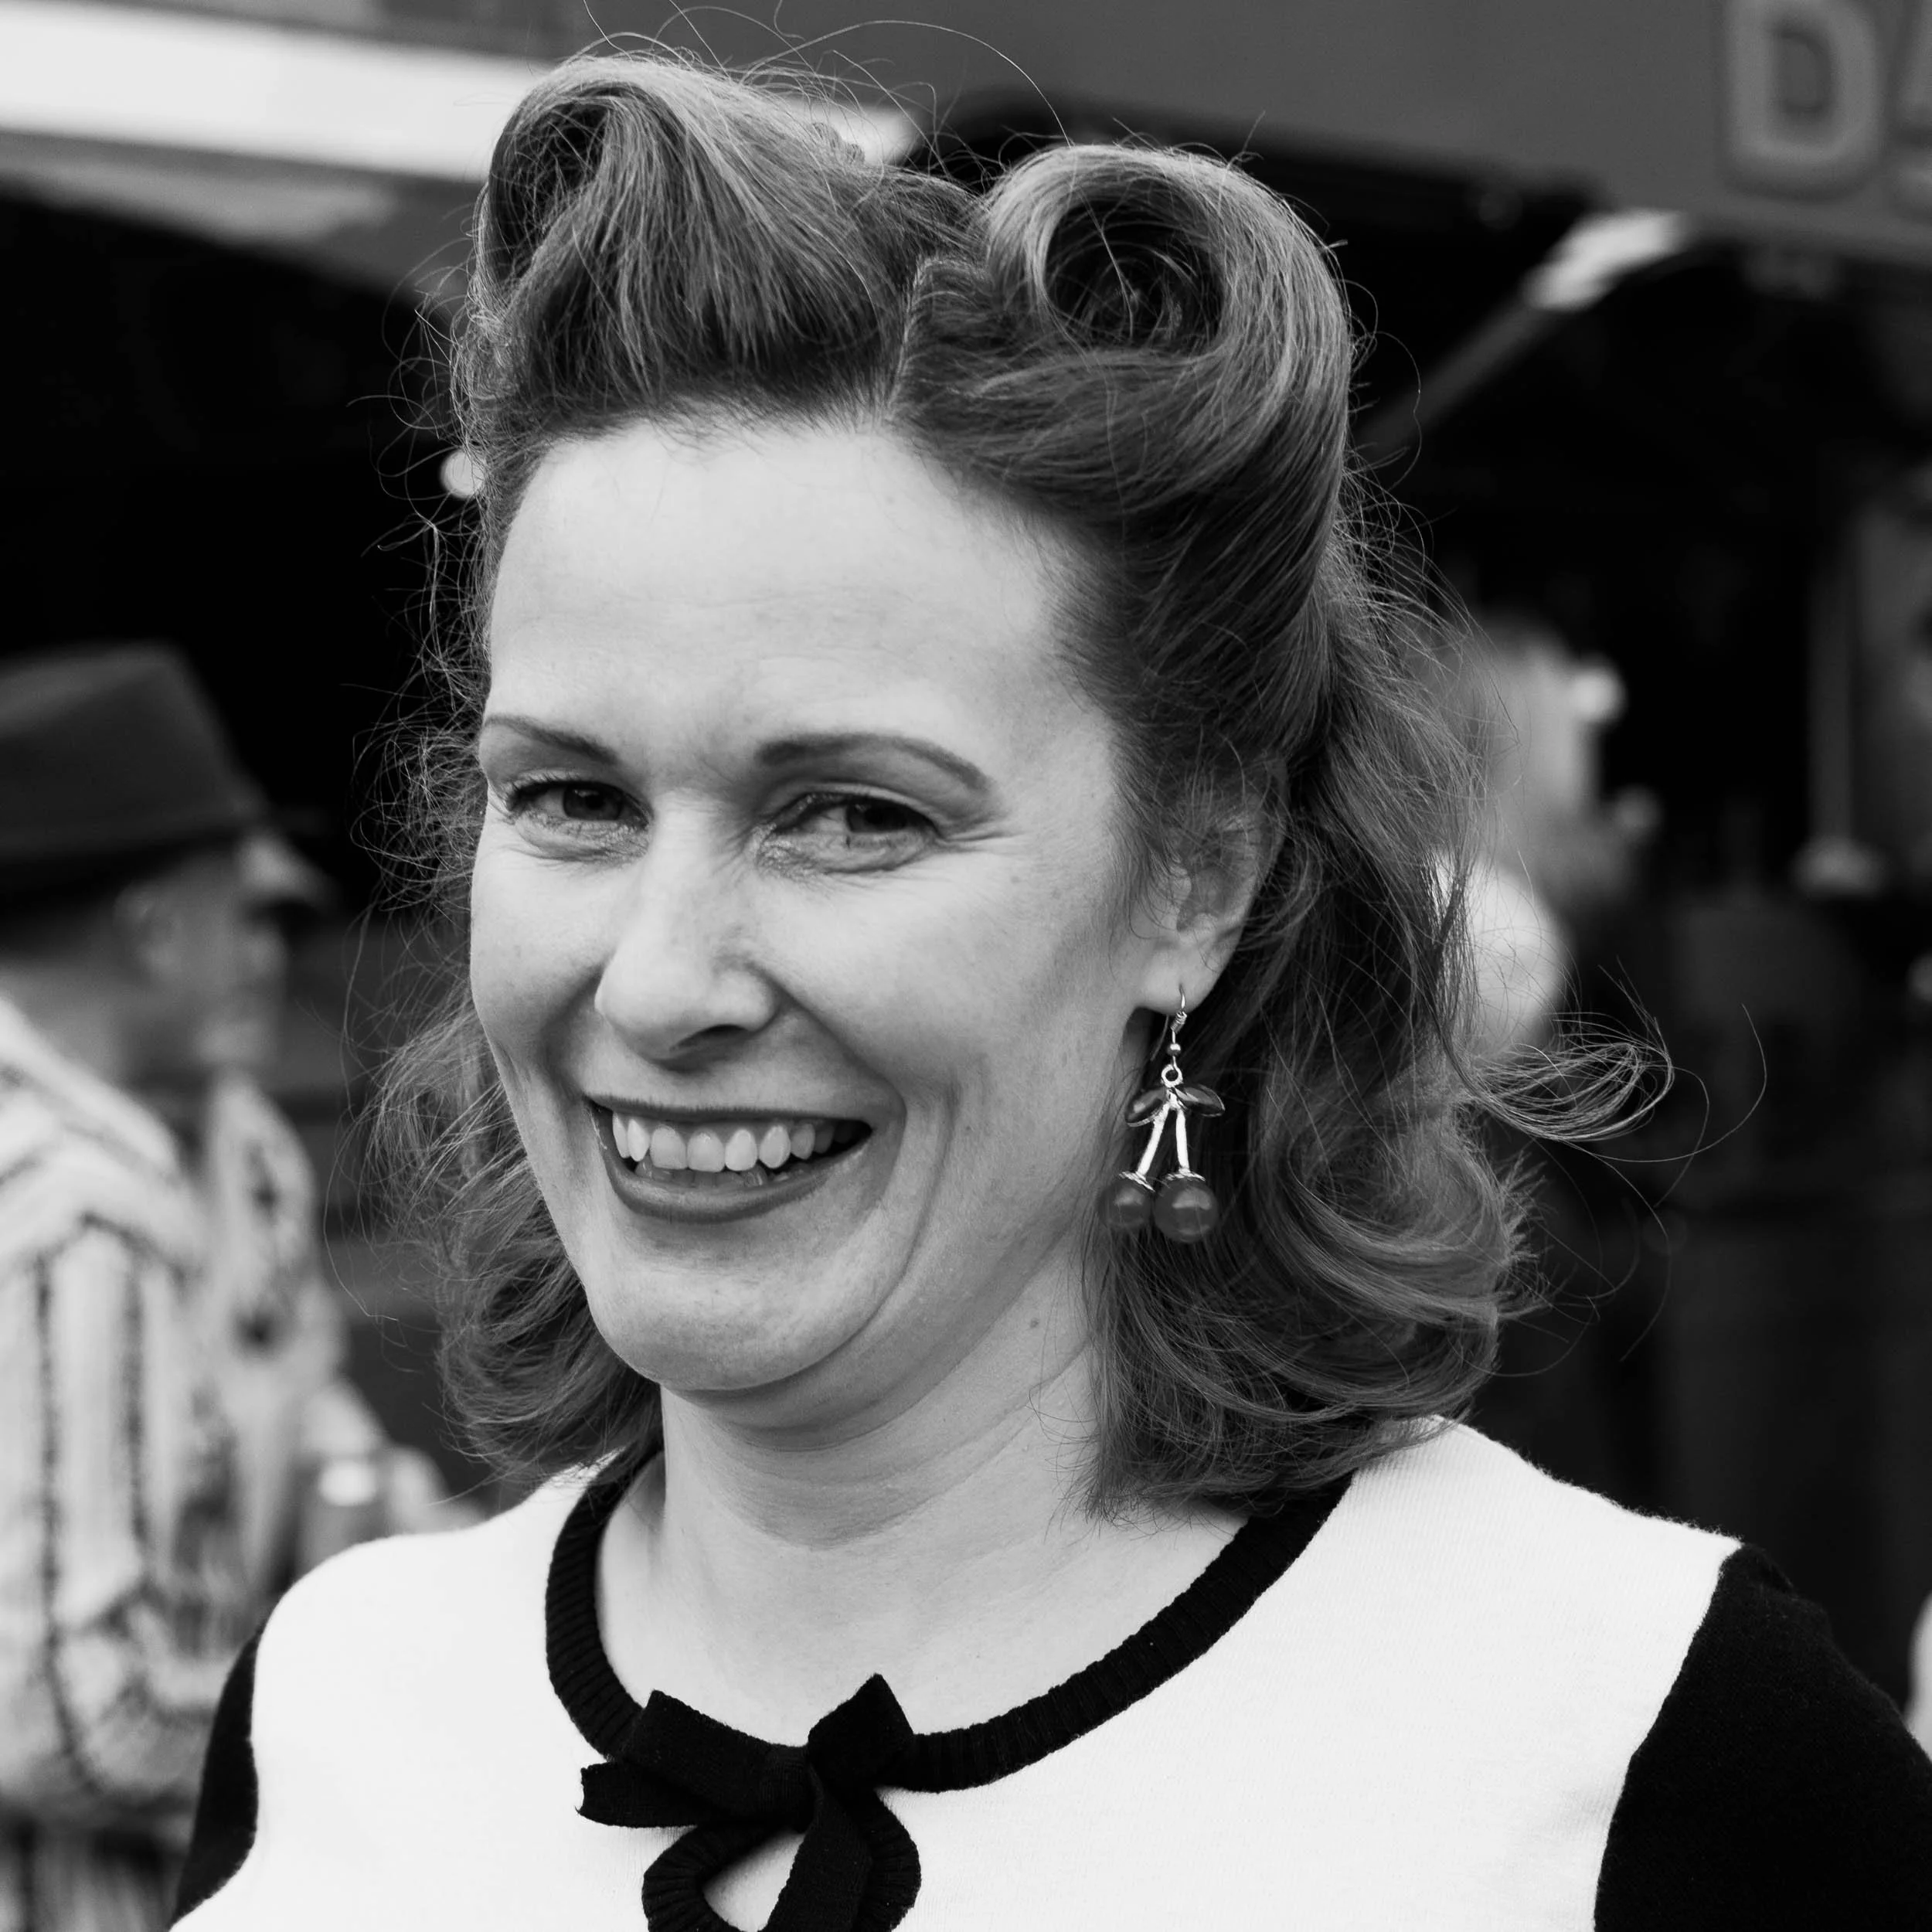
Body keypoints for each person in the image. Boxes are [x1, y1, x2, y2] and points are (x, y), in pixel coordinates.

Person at [172, 56, 1932, 1931]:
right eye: (571, 798)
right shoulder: (338, 1702)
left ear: (1195, 879)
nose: (662, 977)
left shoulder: (1632, 1742)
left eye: (853, 813)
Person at [0, 645, 436, 1932]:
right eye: (240, 906)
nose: (266, 946)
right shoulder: (62, 1207)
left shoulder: (232, 1141)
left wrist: (365, 1507)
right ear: (153, 929)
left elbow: (300, 1403)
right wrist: (377, 1721)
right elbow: (73, 1727)